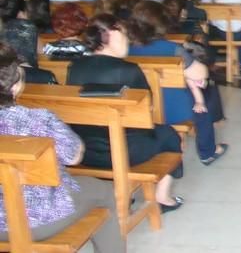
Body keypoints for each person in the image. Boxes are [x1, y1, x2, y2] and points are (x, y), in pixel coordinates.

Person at [0, 43, 125, 251]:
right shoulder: (38, 119)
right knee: (105, 192)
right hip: (39, 218)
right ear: (15, 87)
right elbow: (74, 156)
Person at [66, 14, 184, 212]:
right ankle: (162, 197)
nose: (128, 39)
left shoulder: (74, 66)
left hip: (86, 151)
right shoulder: (129, 70)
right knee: (169, 135)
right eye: (124, 34)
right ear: (108, 35)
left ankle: (117, 192)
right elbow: (147, 111)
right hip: (126, 151)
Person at [127, 1, 227, 165]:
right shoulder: (172, 49)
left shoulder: (127, 49)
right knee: (205, 92)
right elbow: (201, 72)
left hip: (142, 108)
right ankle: (208, 151)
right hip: (175, 111)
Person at [0, 0, 40, 67]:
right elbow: (41, 51)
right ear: (22, 10)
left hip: (5, 72)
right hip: (28, 72)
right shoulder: (30, 26)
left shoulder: (4, 28)